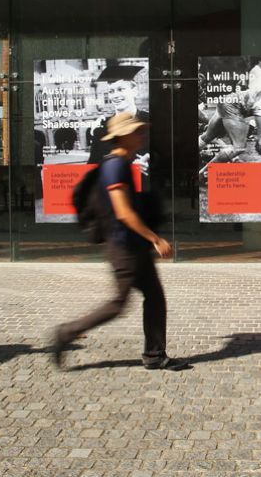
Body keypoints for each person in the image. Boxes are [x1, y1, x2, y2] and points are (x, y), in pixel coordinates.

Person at [52, 112, 188, 371]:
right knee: (118, 304)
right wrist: (155, 239)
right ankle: (66, 332)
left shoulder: (123, 162)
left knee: (155, 298)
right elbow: (124, 212)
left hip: (133, 245)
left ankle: (155, 355)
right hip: (124, 247)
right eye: (136, 131)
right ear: (123, 136)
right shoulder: (115, 166)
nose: (141, 135)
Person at [87, 65, 150, 164]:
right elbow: (92, 166)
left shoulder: (149, 121)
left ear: (134, 91)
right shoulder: (102, 128)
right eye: (111, 91)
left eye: (120, 89)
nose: (115, 95)